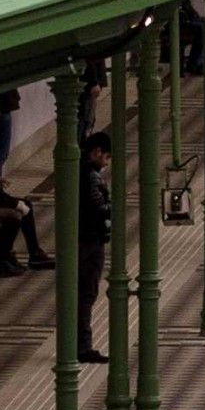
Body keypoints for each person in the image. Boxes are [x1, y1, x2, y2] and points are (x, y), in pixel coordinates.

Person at [75, 128, 115, 361]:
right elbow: (99, 209)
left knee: (82, 294)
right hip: (90, 240)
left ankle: (80, 343)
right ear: (97, 152)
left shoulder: (80, 171)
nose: (106, 162)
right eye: (107, 157)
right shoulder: (90, 176)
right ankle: (82, 345)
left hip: (85, 238)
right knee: (86, 294)